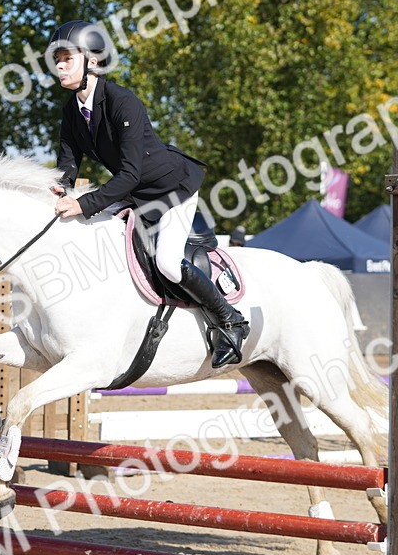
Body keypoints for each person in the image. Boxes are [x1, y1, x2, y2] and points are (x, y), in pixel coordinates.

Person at [46, 20, 249, 368]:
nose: (59, 65)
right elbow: (67, 166)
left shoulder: (123, 103)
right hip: (135, 192)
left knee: (168, 262)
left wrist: (83, 203)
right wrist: (57, 188)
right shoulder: (71, 112)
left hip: (171, 187)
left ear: (92, 61)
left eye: (67, 57)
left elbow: (128, 174)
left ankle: (230, 319)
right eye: (56, 59)